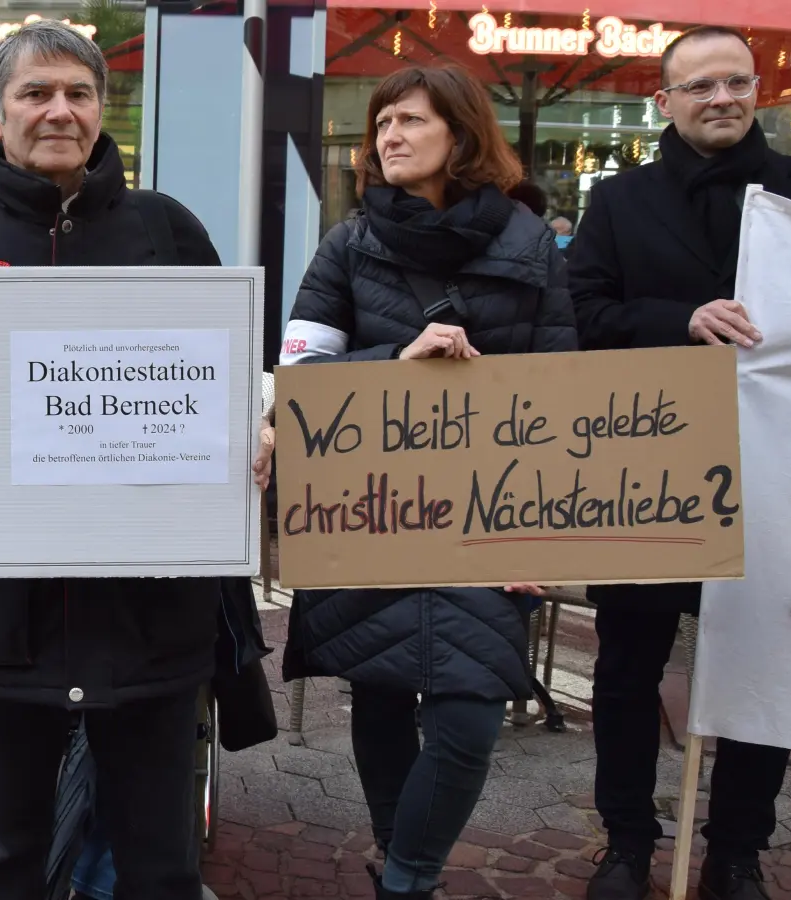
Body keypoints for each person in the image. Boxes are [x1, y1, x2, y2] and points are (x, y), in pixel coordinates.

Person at [0, 21, 227, 900]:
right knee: (5, 860)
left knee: (162, 867)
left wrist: (251, 441)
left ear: (101, 109)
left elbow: (218, 390)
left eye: (78, 94)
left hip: (148, 616)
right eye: (36, 93)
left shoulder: (168, 231)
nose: (60, 110)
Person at [274, 65, 576, 900]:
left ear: (462, 133)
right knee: (380, 695)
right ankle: (393, 850)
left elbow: (565, 394)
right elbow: (298, 386)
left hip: (487, 521)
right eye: (382, 124)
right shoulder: (347, 244)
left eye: (409, 120)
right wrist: (394, 364)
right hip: (372, 513)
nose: (389, 137)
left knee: (469, 716)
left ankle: (406, 878)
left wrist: (545, 533)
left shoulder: (530, 246)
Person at [569, 25, 791, 900]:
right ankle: (626, 844)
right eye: (701, 86)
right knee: (626, 668)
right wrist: (678, 320)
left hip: (779, 473)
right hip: (648, 469)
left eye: (737, 82)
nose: (722, 98)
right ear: (665, 102)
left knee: (762, 664)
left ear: (758, 90)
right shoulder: (619, 201)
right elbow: (582, 314)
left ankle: (737, 850)